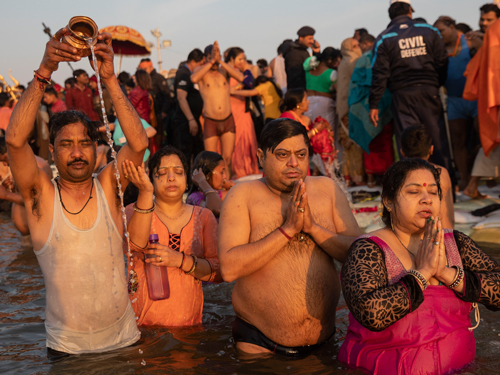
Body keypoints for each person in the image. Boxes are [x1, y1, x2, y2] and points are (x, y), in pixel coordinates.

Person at [5, 28, 149, 355]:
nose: (77, 152)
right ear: (52, 153)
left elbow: (139, 144)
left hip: (125, 344)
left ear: (97, 150)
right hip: (67, 352)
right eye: (66, 145)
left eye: (85, 143)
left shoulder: (110, 187)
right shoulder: (40, 196)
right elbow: (15, 141)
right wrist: (45, 70)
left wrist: (110, 80)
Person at [339, 158, 500, 374]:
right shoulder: (368, 249)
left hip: (463, 369)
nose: (427, 200)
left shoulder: (456, 243)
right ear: (388, 201)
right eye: (414, 192)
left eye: (433, 193)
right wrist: (421, 275)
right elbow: (371, 314)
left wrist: (447, 274)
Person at [218, 119, 361, 356]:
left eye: (301, 154)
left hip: (324, 341)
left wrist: (314, 228)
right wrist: (287, 230)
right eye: (283, 155)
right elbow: (229, 268)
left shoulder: (327, 190)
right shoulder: (242, 195)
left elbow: (361, 254)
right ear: (261, 157)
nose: (293, 163)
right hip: (259, 344)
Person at [122, 146, 222, 326]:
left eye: (178, 172)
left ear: (186, 180)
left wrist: (180, 260)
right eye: (162, 172)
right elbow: (134, 245)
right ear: (151, 178)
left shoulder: (203, 217)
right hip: (142, 329)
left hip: (189, 326)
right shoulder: (133, 211)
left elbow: (218, 272)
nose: (171, 177)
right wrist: (145, 193)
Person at [369, 0, 449, 170]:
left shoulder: (384, 38)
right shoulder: (430, 31)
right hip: (429, 90)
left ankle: (413, 183)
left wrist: (374, 104)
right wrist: (436, 84)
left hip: (402, 95)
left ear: (390, 14)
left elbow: (379, 73)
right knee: (437, 136)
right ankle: (445, 184)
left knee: (409, 140)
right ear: (409, 11)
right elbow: (442, 61)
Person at [434, 16, 480, 192]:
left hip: (475, 98)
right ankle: (465, 180)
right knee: (457, 141)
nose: (440, 35)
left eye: (442, 31)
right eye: (437, 32)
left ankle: (486, 176)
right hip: (454, 99)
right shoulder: (439, 49)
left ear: (452, 27)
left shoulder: (470, 42)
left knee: (482, 138)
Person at [191, 41, 244, 176]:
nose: (214, 62)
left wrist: (220, 61)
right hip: (211, 120)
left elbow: (240, 77)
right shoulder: (201, 72)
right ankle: (213, 191)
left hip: (227, 120)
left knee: (227, 159)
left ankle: (227, 189)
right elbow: (193, 78)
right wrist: (210, 62)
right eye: (210, 58)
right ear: (205, 59)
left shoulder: (223, 71)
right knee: (211, 160)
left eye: (216, 57)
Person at [348, 36, 394, 188]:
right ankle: (388, 178)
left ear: (366, 44)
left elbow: (355, 85)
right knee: (386, 141)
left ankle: (371, 180)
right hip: (385, 101)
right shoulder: (386, 55)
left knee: (370, 142)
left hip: (365, 104)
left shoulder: (362, 59)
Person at [463, 16, 500, 199]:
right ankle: (471, 185)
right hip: (495, 97)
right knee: (493, 141)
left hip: (494, 99)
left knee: (493, 142)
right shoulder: (493, 34)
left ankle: (471, 185)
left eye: (489, 19)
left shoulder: (491, 34)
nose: (485, 23)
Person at [400, 125, 454, 229]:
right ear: (431, 150)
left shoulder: (397, 174)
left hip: (410, 241)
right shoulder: (442, 173)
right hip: (445, 237)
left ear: (402, 152)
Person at [0, 136, 52, 235]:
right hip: (30, 238)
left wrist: (6, 195)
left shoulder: (34, 166)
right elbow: (25, 194)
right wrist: (11, 188)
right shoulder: (21, 167)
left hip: (38, 236)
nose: (5, 164)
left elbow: (39, 201)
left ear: (11, 151)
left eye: (5, 159)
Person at [226, 47, 260, 179]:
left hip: (243, 109)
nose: (242, 61)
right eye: (240, 59)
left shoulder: (242, 72)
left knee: (248, 136)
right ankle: (239, 169)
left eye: (244, 59)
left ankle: (248, 167)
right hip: (234, 110)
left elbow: (252, 78)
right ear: (231, 59)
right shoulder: (228, 72)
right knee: (238, 139)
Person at [338, 38, 364, 186]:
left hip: (344, 106)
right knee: (354, 144)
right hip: (351, 107)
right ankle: (357, 178)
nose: (357, 48)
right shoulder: (353, 61)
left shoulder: (344, 61)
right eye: (354, 46)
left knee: (348, 145)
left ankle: (349, 178)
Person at [172, 48, 205, 167]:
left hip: (191, 119)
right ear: (194, 62)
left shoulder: (187, 73)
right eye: (201, 65)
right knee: (186, 154)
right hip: (185, 121)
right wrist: (191, 120)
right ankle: (186, 183)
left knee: (197, 152)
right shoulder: (184, 74)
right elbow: (181, 98)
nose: (202, 68)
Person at [187, 150, 233, 217]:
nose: (225, 176)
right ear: (208, 175)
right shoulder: (194, 197)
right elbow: (217, 209)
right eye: (221, 172)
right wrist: (202, 182)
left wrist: (224, 182)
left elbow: (239, 192)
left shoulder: (215, 194)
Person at [302, 47, 340, 128]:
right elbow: (339, 91)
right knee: (326, 131)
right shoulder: (332, 73)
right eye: (335, 61)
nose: (335, 63)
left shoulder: (309, 69)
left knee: (309, 130)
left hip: (308, 102)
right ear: (330, 59)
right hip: (325, 103)